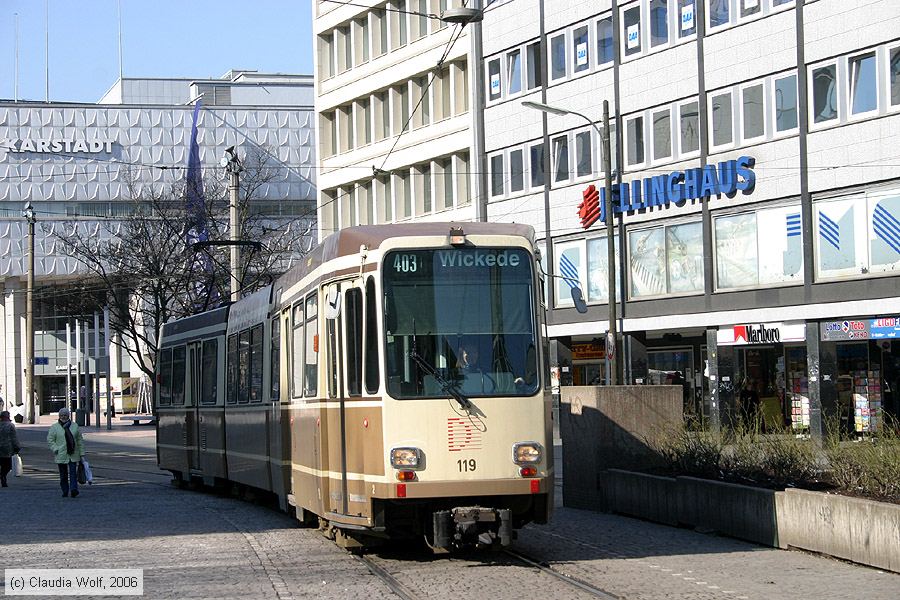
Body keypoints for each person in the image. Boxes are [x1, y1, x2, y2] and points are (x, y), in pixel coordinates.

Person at [47, 407, 85, 497]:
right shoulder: (54, 427)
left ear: (68, 416)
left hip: (73, 453)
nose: (63, 417)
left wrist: (82, 454)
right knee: (63, 475)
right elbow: (50, 440)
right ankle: (65, 490)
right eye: (61, 415)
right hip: (61, 454)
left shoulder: (75, 426)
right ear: (59, 416)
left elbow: (79, 440)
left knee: (73, 473)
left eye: (65, 415)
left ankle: (73, 489)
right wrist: (55, 448)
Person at [0, 410, 21, 487]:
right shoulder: (10, 425)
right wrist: (17, 447)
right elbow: (14, 438)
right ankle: (2, 476)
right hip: (7, 449)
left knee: (2, 464)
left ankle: (2, 476)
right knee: (8, 465)